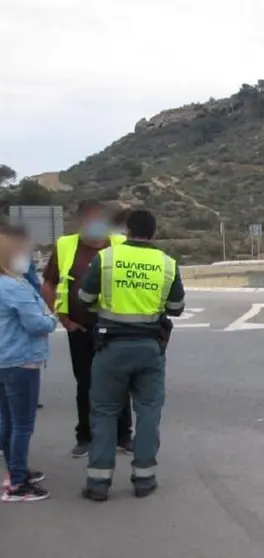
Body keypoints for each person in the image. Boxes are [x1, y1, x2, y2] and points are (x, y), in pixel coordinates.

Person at [77, 209, 184, 501]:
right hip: (150, 348)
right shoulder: (167, 263)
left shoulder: (107, 258)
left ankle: (98, 483)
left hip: (111, 347)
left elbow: (84, 299)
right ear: (154, 232)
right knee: (148, 412)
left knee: (104, 412)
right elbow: (176, 308)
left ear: (126, 230)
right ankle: (144, 480)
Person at [40, 200, 132, 458]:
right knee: (86, 384)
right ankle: (85, 436)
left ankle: (123, 436)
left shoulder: (121, 244)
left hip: (117, 328)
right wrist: (63, 319)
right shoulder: (66, 246)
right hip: (80, 329)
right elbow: (48, 285)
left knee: (120, 382)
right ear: (80, 223)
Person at [0, 225, 58, 502]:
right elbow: (36, 325)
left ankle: (16, 469)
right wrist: (53, 318)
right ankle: (17, 483)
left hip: (3, 360)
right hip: (21, 361)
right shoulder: (15, 288)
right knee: (22, 424)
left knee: (7, 420)